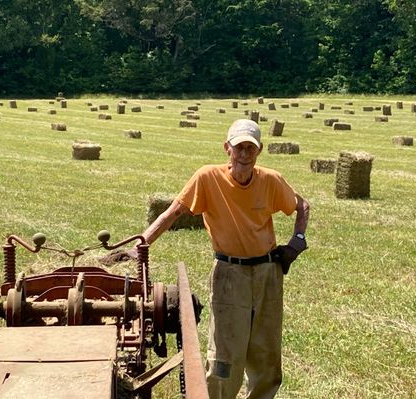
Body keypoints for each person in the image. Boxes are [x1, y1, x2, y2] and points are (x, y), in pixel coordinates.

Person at [128, 119, 309, 398]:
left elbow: (302, 205)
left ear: (259, 151)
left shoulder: (270, 180)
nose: (245, 155)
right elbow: (172, 213)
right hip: (229, 273)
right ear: (227, 148)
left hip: (267, 274)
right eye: (239, 148)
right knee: (224, 355)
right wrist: (141, 244)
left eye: (251, 148)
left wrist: (296, 242)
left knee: (266, 353)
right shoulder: (207, 177)